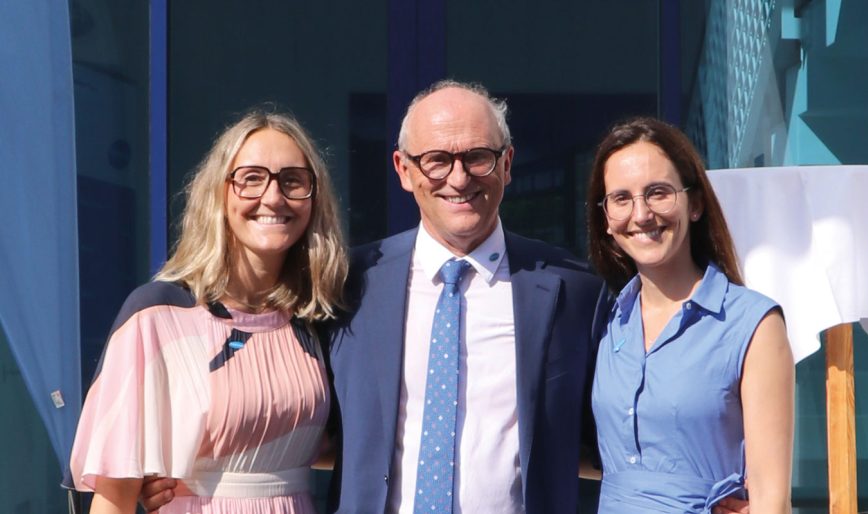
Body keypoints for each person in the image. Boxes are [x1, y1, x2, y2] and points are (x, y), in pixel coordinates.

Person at [322, 80, 607, 513]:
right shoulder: (349, 284)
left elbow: (622, 431)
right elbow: (298, 421)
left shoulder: (575, 289)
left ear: (507, 164)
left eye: (478, 156)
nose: (458, 178)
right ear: (404, 169)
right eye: (436, 160)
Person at [69, 109, 348, 513]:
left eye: (292, 181)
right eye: (251, 178)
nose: (273, 197)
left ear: (314, 197)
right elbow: (113, 499)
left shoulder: (314, 319)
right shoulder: (158, 316)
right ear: (219, 193)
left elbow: (321, 445)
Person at [586, 117, 794, 513]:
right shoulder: (606, 322)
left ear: (695, 203)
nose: (642, 214)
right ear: (606, 220)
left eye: (658, 193)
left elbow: (772, 500)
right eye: (621, 198)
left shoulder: (753, 325)